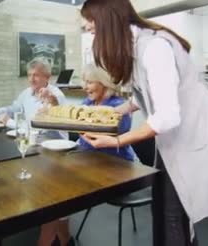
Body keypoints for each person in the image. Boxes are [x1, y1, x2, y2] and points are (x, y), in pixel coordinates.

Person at [79, 0, 208, 246]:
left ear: (109, 24)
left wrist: (116, 140)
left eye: (93, 31)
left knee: (173, 213)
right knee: (165, 208)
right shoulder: (137, 46)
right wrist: (114, 112)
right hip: (176, 136)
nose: (93, 40)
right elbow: (145, 93)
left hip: (192, 134)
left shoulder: (154, 47)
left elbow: (166, 115)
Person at [40, 63, 136, 246]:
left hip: (113, 166)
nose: (85, 87)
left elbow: (114, 130)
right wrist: (52, 106)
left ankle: (49, 239)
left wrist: (85, 120)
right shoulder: (89, 103)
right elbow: (73, 119)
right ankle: (63, 238)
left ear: (104, 83)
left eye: (90, 82)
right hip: (86, 159)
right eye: (84, 82)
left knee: (57, 188)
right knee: (51, 180)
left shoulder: (117, 106)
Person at [0, 58, 66, 130]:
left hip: (52, 141)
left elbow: (40, 128)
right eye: (29, 75)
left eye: (36, 75)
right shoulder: (26, 93)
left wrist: (10, 122)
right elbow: (12, 110)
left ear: (47, 77)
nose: (31, 79)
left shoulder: (56, 96)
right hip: (31, 140)